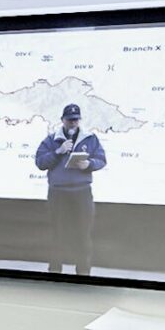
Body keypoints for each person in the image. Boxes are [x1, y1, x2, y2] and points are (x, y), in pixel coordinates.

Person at [33, 103, 107, 277]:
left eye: (76, 119)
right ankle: (55, 271)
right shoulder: (51, 140)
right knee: (58, 232)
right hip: (59, 193)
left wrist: (89, 164)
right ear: (62, 120)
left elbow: (101, 160)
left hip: (81, 192)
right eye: (69, 120)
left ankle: (83, 272)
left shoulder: (90, 138)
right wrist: (58, 151)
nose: (73, 123)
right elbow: (40, 163)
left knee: (83, 232)